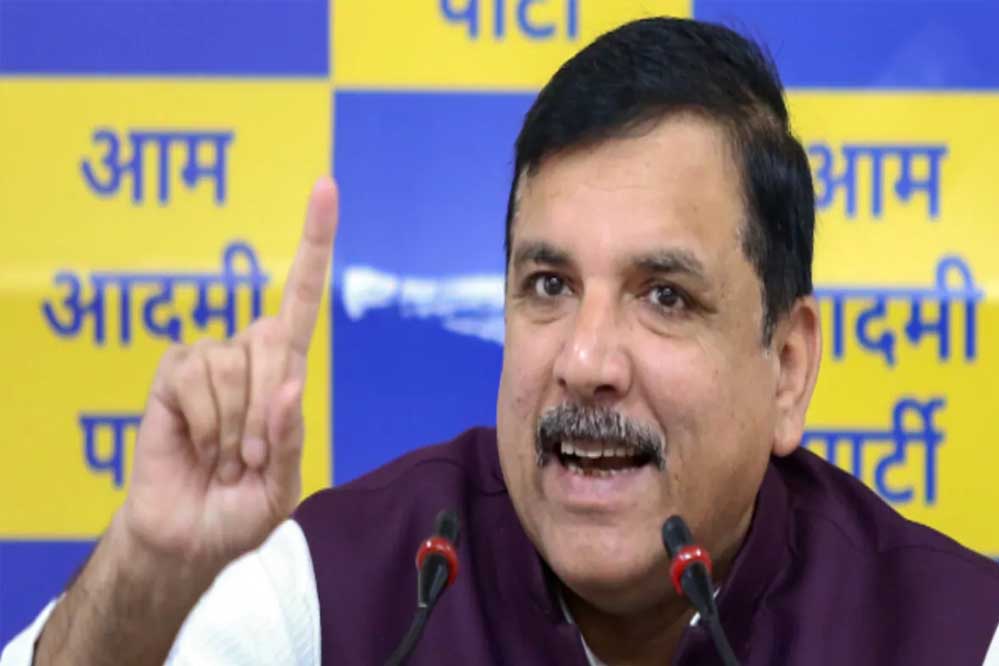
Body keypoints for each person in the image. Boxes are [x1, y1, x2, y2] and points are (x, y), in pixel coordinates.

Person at [4, 16, 999, 666]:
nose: (585, 361)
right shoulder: (349, 588)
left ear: (786, 369)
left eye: (663, 297)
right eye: (549, 287)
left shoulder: (951, 633)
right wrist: (152, 565)